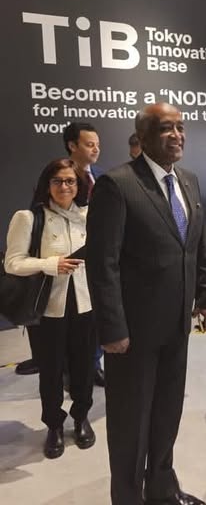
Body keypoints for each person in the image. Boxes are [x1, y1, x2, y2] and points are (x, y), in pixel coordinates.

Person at [86, 103, 206, 505]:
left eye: (180, 127)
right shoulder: (117, 185)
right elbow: (102, 264)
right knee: (131, 423)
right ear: (142, 138)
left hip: (176, 326)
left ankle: (162, 487)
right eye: (165, 128)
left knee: (166, 413)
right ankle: (128, 497)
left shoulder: (189, 181)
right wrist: (112, 329)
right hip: (133, 334)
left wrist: (205, 296)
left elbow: (194, 247)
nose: (177, 135)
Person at [5, 158, 96, 459]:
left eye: (70, 181)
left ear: (78, 185)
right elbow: (12, 263)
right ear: (47, 184)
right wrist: (50, 264)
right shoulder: (29, 218)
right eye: (57, 181)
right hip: (47, 308)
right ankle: (54, 425)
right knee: (51, 370)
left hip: (85, 304)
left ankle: (81, 417)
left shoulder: (88, 216)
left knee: (84, 367)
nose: (64, 186)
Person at [63, 121, 105, 386]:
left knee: (97, 316)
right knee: (75, 323)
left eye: (97, 144)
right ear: (72, 146)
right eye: (90, 144)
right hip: (71, 260)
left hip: (99, 257)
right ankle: (71, 371)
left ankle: (94, 365)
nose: (96, 149)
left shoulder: (101, 176)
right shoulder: (60, 176)